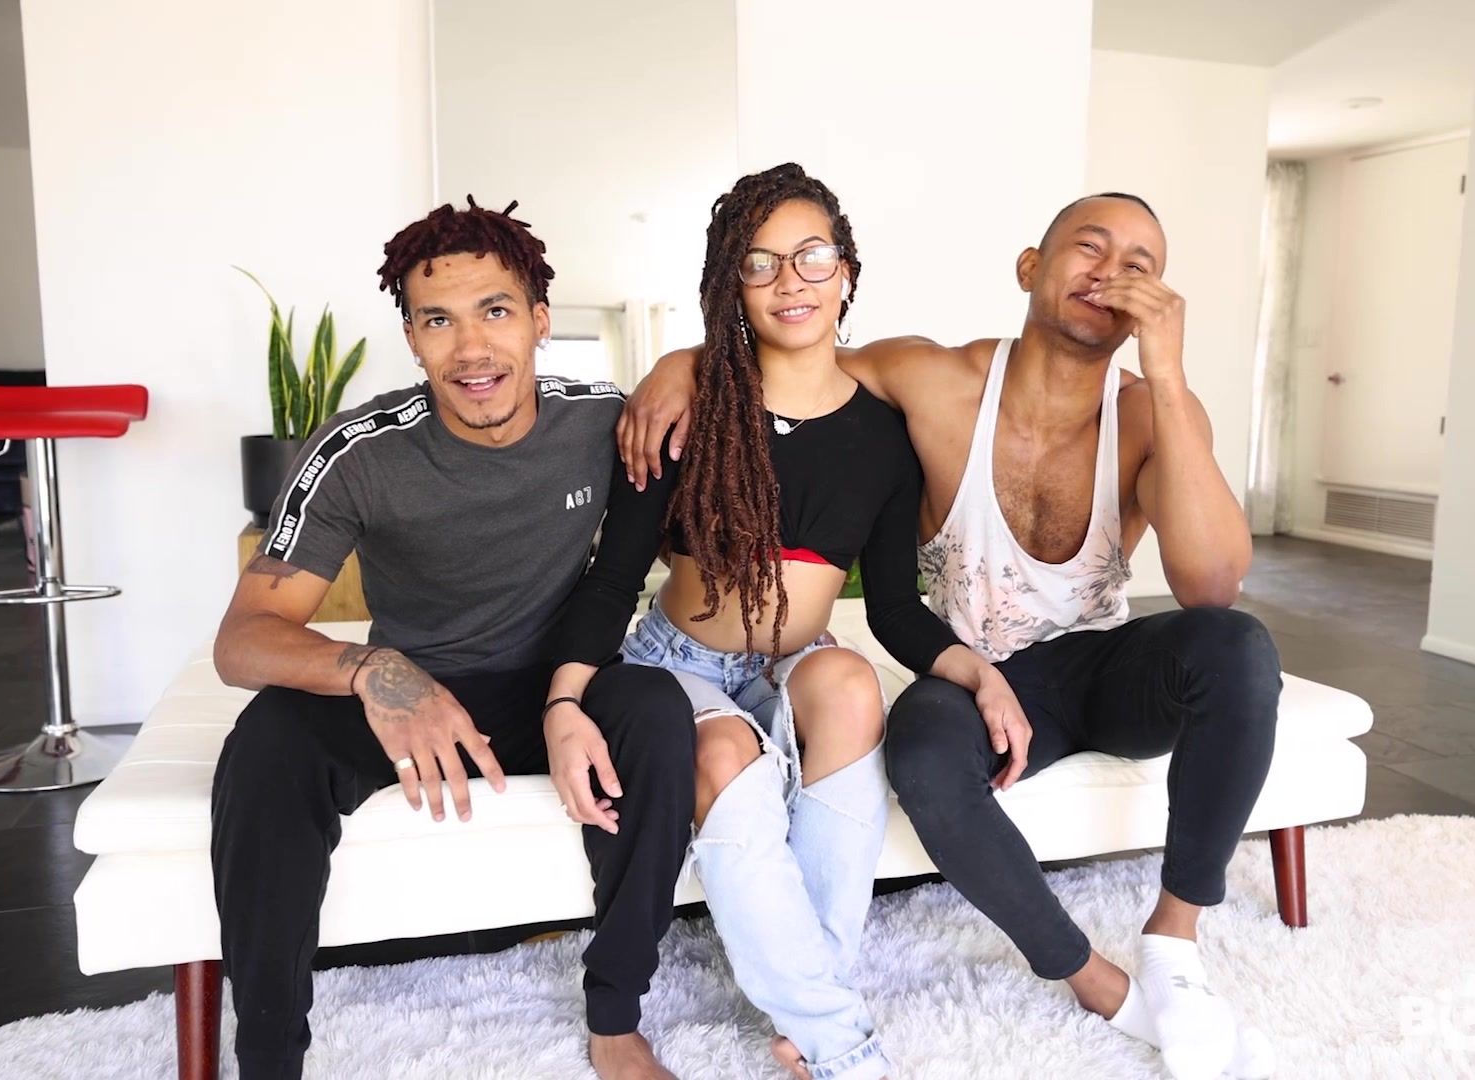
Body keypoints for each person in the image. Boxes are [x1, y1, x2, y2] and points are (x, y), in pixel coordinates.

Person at [621, 192, 1281, 1080]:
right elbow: (795, 346)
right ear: (1030, 268)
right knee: (922, 755)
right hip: (978, 674)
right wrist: (684, 362)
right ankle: (1090, 978)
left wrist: (1168, 377)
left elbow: (1211, 586)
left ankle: (1174, 942)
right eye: (1090, 248)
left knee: (1238, 645)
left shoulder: (1155, 410)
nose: (1112, 274)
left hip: (1102, 667)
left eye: (1140, 265)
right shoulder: (932, 379)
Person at [548, 163, 1025, 1080]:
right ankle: (840, 1043)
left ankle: (811, 1004)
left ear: (846, 270)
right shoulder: (685, 411)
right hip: (678, 663)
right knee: (725, 750)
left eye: (811, 256)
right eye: (759, 263)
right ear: (732, 284)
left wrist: (979, 672)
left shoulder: (883, 437)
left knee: (849, 684)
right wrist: (566, 700)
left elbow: (893, 610)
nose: (789, 281)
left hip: (795, 662)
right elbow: (611, 581)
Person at [208, 198, 695, 1080]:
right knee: (268, 740)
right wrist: (378, 671)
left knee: (655, 708)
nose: (471, 349)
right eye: (439, 321)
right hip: (415, 692)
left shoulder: (602, 422)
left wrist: (685, 364)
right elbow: (244, 640)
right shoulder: (357, 453)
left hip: (557, 685)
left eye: (495, 311)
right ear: (412, 338)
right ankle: (268, 1060)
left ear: (540, 321)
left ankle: (616, 1019)